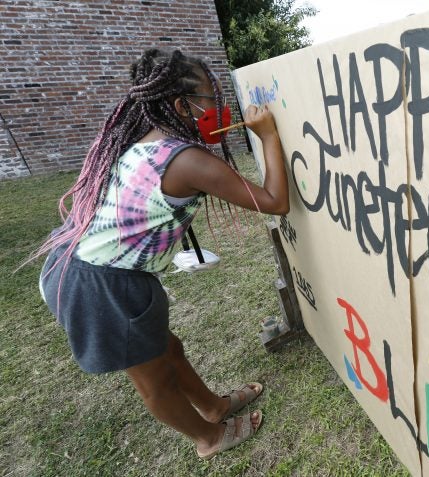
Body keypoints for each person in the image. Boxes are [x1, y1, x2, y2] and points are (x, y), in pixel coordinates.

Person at [31, 48, 289, 459]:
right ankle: (208, 437)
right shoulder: (186, 160)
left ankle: (214, 406)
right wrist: (270, 135)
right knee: (154, 382)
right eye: (211, 99)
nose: (220, 108)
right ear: (181, 105)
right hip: (98, 286)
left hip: (93, 269)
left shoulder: (144, 142)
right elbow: (274, 201)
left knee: (169, 349)